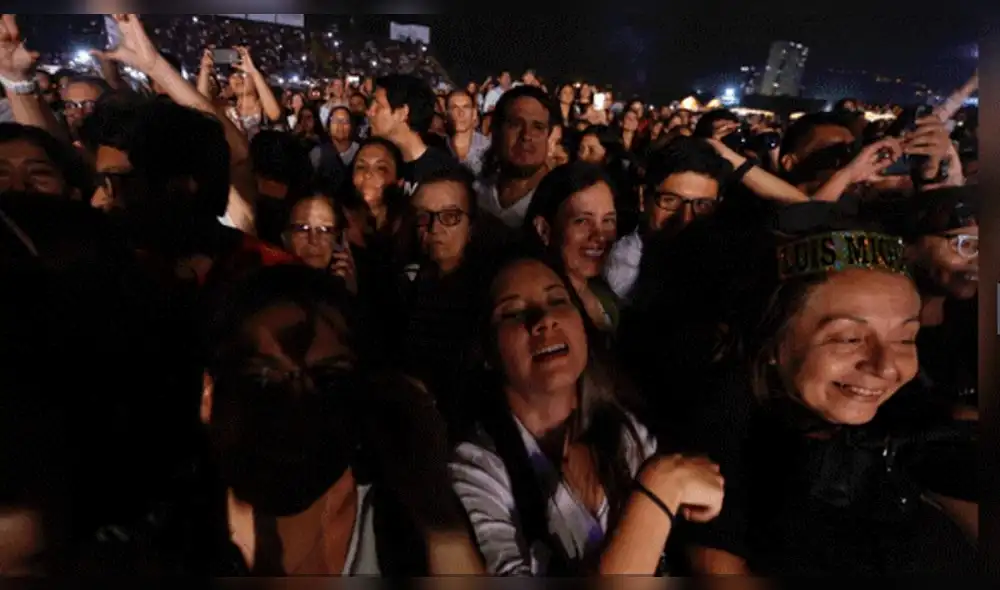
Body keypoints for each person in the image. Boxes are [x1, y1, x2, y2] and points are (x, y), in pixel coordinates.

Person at [677, 208, 977, 575]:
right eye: (848, 338)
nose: (885, 367)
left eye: (904, 338)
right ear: (771, 341)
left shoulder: (903, 411)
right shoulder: (724, 430)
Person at [450, 255, 725, 575]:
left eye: (557, 300)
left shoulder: (626, 433)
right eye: (513, 313)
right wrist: (659, 487)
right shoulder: (477, 469)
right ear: (485, 350)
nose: (544, 320)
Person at [476, 85, 558, 228]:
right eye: (515, 124)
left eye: (537, 127)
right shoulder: (476, 193)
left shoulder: (561, 203)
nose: (526, 135)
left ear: (549, 136)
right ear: (496, 130)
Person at [366, 74, 456, 196]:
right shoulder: (373, 163)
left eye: (378, 106)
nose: (370, 112)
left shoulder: (443, 174)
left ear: (403, 112)